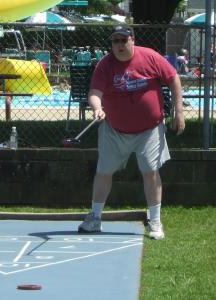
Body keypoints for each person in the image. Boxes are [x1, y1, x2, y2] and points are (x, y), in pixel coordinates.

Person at [78, 25, 185, 240]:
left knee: (150, 172)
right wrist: (97, 108)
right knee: (103, 171)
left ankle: (155, 221)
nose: (118, 45)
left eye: (122, 40)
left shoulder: (150, 57)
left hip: (150, 129)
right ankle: (95, 218)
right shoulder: (105, 65)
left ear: (132, 40)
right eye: (115, 41)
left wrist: (178, 111)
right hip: (114, 130)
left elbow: (173, 78)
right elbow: (95, 92)